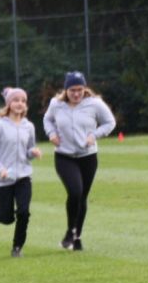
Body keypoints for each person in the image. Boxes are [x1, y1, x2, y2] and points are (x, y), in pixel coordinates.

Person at [43, 71, 115, 251]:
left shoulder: (95, 104)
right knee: (75, 192)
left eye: (80, 90)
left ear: (85, 88)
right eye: (72, 90)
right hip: (64, 156)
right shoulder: (56, 104)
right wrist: (51, 134)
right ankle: (70, 231)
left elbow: (110, 122)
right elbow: (47, 120)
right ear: (66, 90)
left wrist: (94, 135)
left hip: (88, 157)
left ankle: (76, 237)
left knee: (82, 196)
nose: (76, 94)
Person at [0, 87, 42, 257]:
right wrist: (1, 169)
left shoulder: (29, 126)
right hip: (3, 178)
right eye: (16, 100)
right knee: (6, 218)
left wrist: (33, 153)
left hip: (23, 176)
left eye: (23, 100)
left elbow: (29, 150)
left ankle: (17, 247)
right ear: (8, 104)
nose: (20, 103)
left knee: (23, 212)